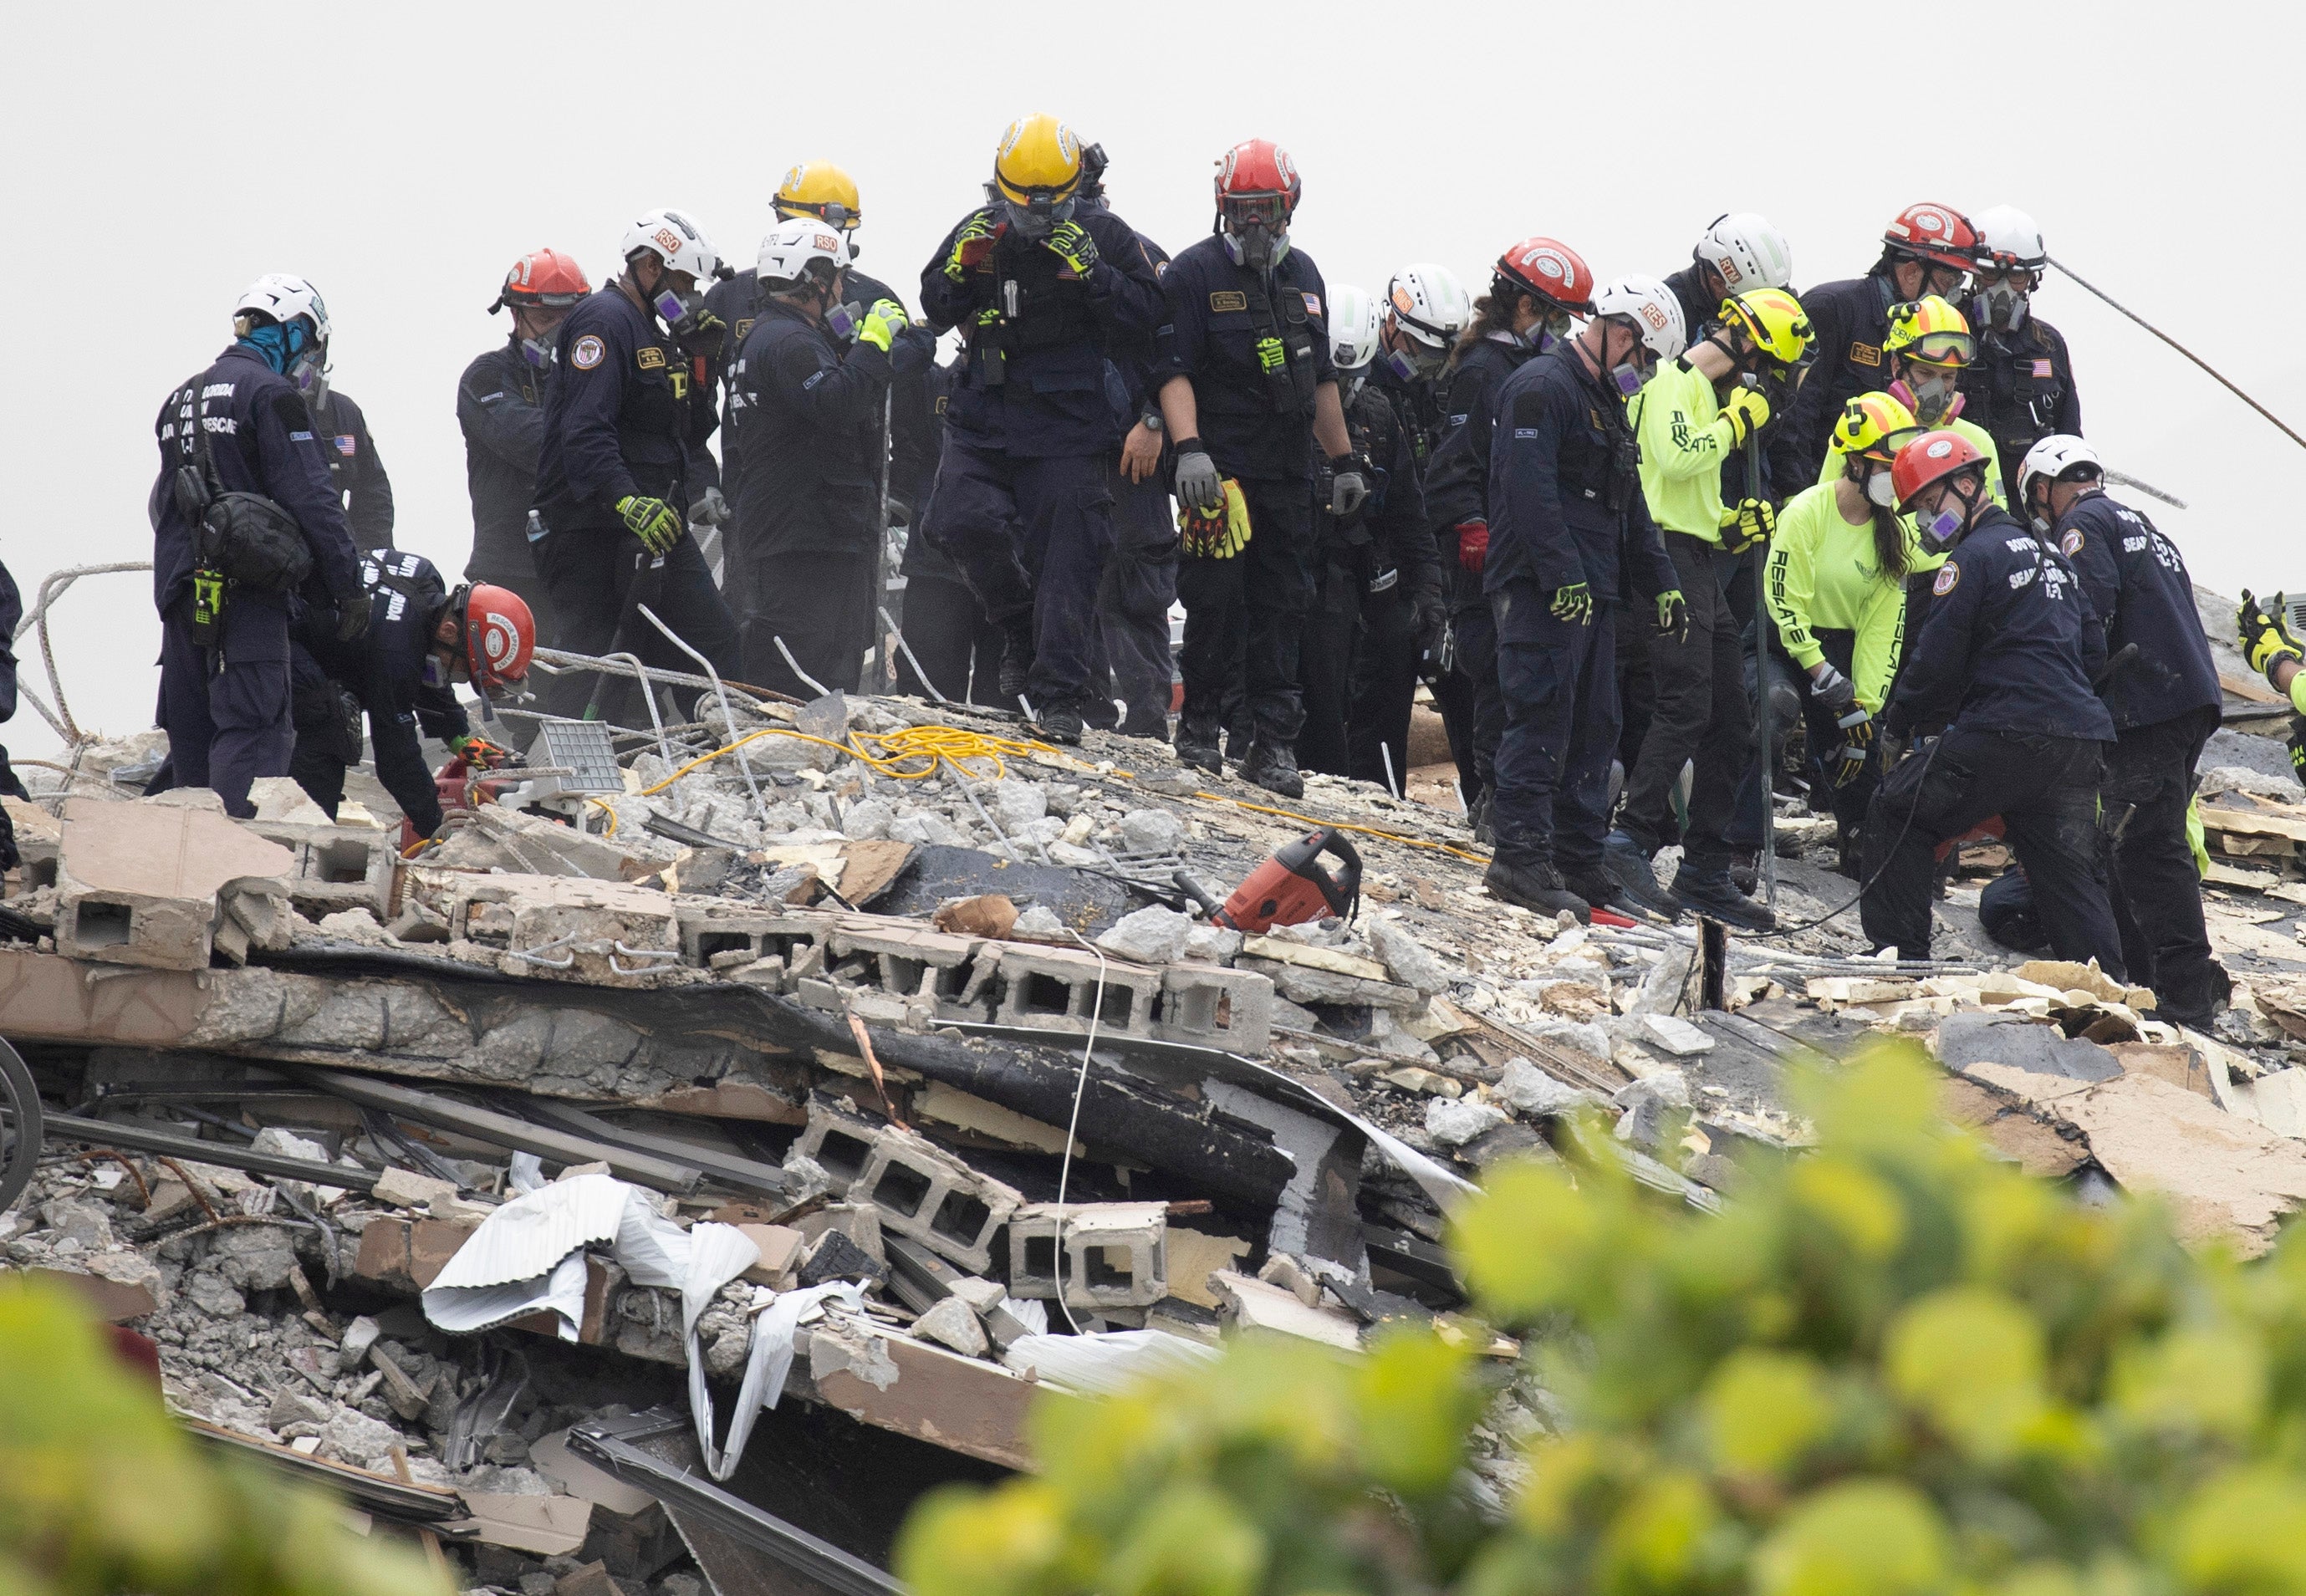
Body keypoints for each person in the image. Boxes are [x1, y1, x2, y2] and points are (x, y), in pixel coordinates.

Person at [917, 114, 1165, 744]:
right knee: (954, 521)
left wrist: (1096, 276)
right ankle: (1018, 622)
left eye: (1047, 208)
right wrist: (957, 272)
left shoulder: (1106, 234)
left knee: (1070, 556)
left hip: (1067, 426)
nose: (1034, 219)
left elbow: (1149, 316)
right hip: (985, 417)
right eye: (1022, 206)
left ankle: (1059, 696)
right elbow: (935, 307)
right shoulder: (980, 229)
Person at [1862, 431, 2123, 968]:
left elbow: (1935, 659)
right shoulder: (2054, 554)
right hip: (2078, 739)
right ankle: (2110, 995)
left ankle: (1900, 958)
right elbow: (2094, 649)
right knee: (2066, 875)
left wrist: (1899, 723)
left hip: (2009, 731)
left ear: (1966, 483)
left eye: (1931, 505)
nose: (1926, 522)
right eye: (1919, 512)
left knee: (1896, 807)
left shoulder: (1972, 559)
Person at [1156, 137, 1365, 797]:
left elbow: (1323, 378)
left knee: (1284, 606)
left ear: (1289, 208)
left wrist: (1346, 460)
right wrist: (1189, 450)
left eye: (1267, 209)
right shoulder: (1191, 276)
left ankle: (1271, 743)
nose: (1255, 223)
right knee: (1214, 603)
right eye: (1242, 209)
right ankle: (1199, 730)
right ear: (1224, 209)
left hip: (1288, 476)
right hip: (1219, 479)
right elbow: (1173, 371)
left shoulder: (1305, 276)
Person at [1603, 287, 1810, 928]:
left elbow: (1678, 486)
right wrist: (1736, 423)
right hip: (1662, 556)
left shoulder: (1701, 391)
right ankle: (1628, 840)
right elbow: (1675, 455)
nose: (1764, 389)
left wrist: (1729, 521)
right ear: (1748, 345)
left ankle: (1705, 868)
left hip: (1693, 552)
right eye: (1768, 373)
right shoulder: (1674, 379)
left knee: (1731, 716)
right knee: (1686, 699)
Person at [1481, 277, 1686, 919]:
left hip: (1593, 592)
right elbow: (1529, 491)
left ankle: (1575, 854)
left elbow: (1631, 509)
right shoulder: (1543, 388)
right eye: (1645, 359)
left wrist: (1662, 583)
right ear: (1622, 334)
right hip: (1545, 588)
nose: (1644, 374)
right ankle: (1519, 856)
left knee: (1597, 723)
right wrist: (1560, 572)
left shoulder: (1603, 400)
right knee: (1541, 714)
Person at [2028, 436, 2227, 1026]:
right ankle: (2149, 978)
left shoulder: (2083, 523)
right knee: (2137, 838)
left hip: (2146, 703)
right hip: (2188, 694)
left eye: (2037, 505)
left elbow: (2087, 612)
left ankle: (2187, 994)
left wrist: (2072, 690)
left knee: (2148, 847)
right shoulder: (2143, 525)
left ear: (2044, 488)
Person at [149, 274, 365, 817]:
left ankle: (182, 874)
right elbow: (314, 497)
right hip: (249, 599)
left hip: (185, 596)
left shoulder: (184, 398)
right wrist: (349, 585)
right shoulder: (274, 396)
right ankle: (234, 871)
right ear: (294, 334)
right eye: (310, 344)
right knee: (255, 732)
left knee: (193, 739)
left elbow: (162, 506)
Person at [530, 208, 741, 723]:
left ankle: (721, 756)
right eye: (683, 280)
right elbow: (585, 432)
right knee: (597, 664)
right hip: (594, 528)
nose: (690, 293)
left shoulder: (655, 333)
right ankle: (566, 780)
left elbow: (685, 436)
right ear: (649, 267)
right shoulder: (604, 321)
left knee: (713, 642)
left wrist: (701, 366)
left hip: (655, 525)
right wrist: (627, 500)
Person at [1421, 237, 1594, 835]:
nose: (1564, 331)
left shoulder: (1533, 371)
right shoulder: (1482, 370)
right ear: (1526, 308)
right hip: (1483, 555)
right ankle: (1494, 799)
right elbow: (1453, 460)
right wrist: (1469, 520)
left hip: (1522, 551)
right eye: (1557, 317)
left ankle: (1521, 799)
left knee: (1524, 679)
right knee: (1496, 678)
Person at [727, 217, 909, 696]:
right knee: (804, 664)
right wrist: (873, 344)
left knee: (824, 654)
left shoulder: (775, 336)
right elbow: (837, 403)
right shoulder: (789, 342)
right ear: (815, 278)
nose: (844, 288)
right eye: (838, 277)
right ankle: (787, 756)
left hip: (803, 527)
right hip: (803, 532)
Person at [1764, 392, 1918, 869]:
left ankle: (1860, 846)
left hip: (1840, 653)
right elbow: (1784, 602)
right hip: (1784, 645)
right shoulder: (1806, 512)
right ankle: (1739, 841)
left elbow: (1882, 629)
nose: (1894, 480)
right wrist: (1822, 674)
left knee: (1860, 750)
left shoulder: (1895, 533)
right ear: (1854, 462)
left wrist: (1862, 707)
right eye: (1884, 467)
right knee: (1775, 707)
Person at [288, 553, 534, 843]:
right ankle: (298, 847)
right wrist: (440, 832)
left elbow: (427, 663)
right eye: (461, 673)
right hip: (284, 642)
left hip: (286, 612)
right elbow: (396, 760)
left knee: (330, 714)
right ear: (449, 630)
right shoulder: (395, 656)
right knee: (328, 729)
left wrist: (459, 738)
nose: (454, 677)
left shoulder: (425, 581)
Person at [1339, 267, 1458, 786]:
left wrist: (1429, 591)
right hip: (1358, 572)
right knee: (1362, 708)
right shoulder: (1357, 388)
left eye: (1435, 355)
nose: (1424, 364)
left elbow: (1417, 502)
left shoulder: (1433, 390)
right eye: (1417, 348)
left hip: (1414, 566)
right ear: (1391, 324)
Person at [1077, 140, 1179, 740]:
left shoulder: (1138, 252)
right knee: (1069, 574)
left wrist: (1153, 421)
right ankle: (1086, 713)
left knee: (1137, 584)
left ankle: (1147, 721)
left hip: (1133, 451)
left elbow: (1172, 347)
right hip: (1066, 447)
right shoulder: (1026, 253)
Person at [1773, 204, 1977, 490]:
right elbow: (1796, 416)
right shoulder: (1832, 309)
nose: (1951, 297)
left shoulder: (1940, 335)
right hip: (1825, 494)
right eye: (1946, 283)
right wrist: (1797, 498)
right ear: (1910, 272)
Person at [459, 248, 590, 653]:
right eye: (549, 319)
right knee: (522, 703)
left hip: (577, 569)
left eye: (570, 318)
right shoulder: (486, 376)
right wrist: (596, 433)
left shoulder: (588, 378)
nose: (560, 330)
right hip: (510, 574)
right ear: (516, 316)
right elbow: (531, 441)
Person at [1962, 207, 2082, 502]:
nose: (2002, 288)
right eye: (1991, 273)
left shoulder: (2049, 346)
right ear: (1973, 273)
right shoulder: (1945, 335)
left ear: (2032, 280)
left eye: (2016, 277)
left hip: (2030, 512)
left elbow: (2070, 438)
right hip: (1963, 506)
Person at [298, 324, 395, 548]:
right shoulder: (248, 403)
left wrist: (370, 555)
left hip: (333, 555)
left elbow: (373, 488)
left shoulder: (342, 412)